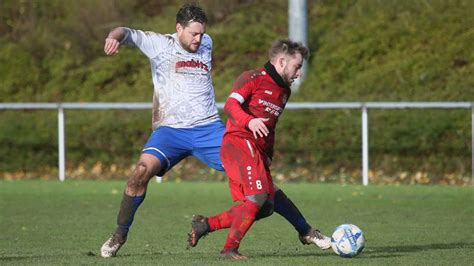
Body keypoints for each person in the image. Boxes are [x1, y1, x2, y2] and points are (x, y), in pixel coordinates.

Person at [100, 3, 329, 258]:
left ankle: (305, 229)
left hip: (209, 129)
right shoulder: (160, 44)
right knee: (140, 173)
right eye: (193, 34)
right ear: (178, 29)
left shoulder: (207, 42)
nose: (198, 39)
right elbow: (126, 31)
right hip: (170, 131)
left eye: (201, 33)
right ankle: (120, 233)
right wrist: (113, 37)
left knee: (260, 187)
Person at [187, 39, 330, 260]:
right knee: (258, 198)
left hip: (256, 151)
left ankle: (205, 225)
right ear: (282, 62)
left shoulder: (284, 91)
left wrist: (268, 155)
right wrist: (249, 122)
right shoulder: (252, 78)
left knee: (267, 204)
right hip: (238, 142)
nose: (299, 73)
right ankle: (229, 249)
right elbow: (230, 105)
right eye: (297, 66)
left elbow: (270, 127)